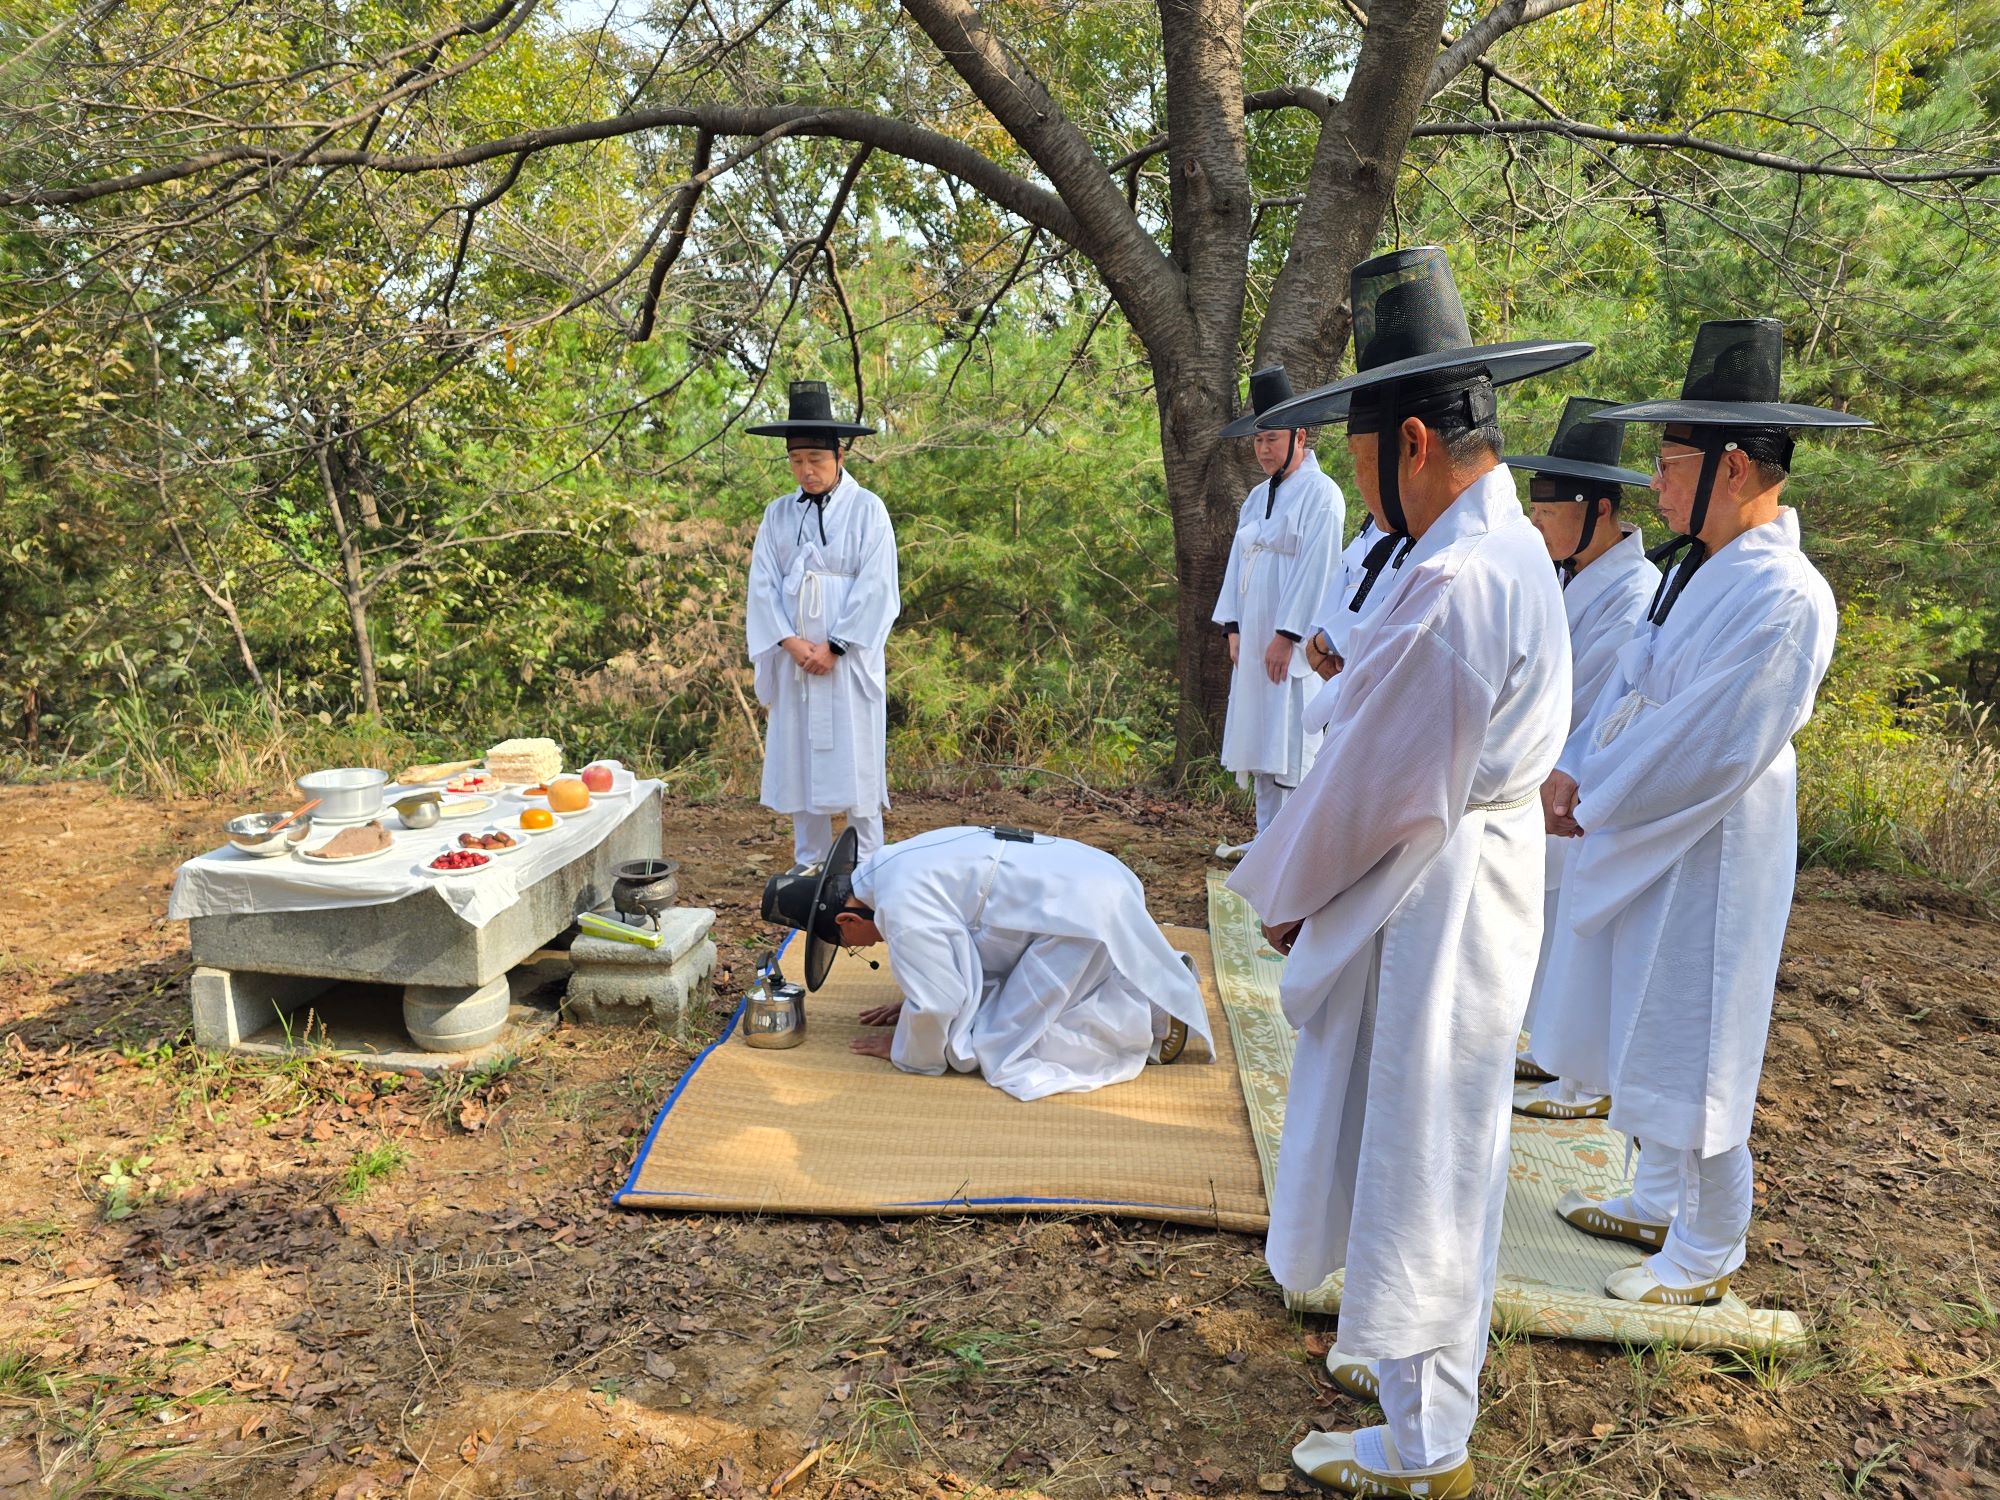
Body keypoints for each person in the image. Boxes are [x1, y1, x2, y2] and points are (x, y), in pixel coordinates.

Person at [1229, 246, 1587, 1499]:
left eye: (1367, 450)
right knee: (1433, 1144)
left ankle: (1425, 1440)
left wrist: (1289, 897)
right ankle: (1408, 1381)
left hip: (1431, 887)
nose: (1361, 483)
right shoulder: (1490, 557)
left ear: (1415, 440)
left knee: (1423, 1150)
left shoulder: (1457, 581)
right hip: (1454, 872)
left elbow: (1372, 783)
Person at [1534, 319, 1869, 1305]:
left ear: (1734, 468)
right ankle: (1650, 1193)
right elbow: (1630, 692)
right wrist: (1572, 766)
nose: (1657, 485)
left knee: (1698, 1031)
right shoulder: (1689, 571)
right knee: (1644, 1012)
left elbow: (1710, 740)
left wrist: (1592, 790)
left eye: (1672, 464)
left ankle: (1708, 1242)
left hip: (1710, 832)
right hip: (1643, 817)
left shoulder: (1785, 597)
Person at [761, 826, 1213, 1102]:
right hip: (1090, 879)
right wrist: (914, 1001)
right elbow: (959, 946)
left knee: (1001, 1049)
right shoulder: (889, 863)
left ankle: (1151, 1015)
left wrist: (906, 1047)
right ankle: (1158, 977)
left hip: (1079, 912)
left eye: (850, 943)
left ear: (845, 918)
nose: (867, 948)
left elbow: (940, 1004)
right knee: (999, 1011)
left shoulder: (896, 905)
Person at [1502, 397, 1660, 1118]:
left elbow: (1598, 700)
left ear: (1596, 509)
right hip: (1543, 767)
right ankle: (1549, 1046)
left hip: (1578, 774)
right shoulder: (1569, 574)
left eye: (1546, 514)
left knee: (1576, 924)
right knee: (1545, 919)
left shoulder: (1634, 590)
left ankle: (1584, 1074)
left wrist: (1553, 769)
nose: (1536, 527)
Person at [744, 381, 900, 866]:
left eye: (815, 458)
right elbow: (763, 584)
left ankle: (868, 861)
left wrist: (835, 646)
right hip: (796, 658)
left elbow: (877, 585)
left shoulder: (868, 509)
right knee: (800, 755)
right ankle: (809, 859)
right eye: (796, 461)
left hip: (846, 658)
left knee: (856, 755)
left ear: (839, 455)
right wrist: (791, 643)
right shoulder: (777, 514)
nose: (806, 470)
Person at [1211, 366, 1341, 860]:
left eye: (1273, 438)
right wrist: (1235, 625)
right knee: (1260, 736)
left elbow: (1319, 567)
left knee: (1290, 739)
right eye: (1259, 439)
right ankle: (1267, 838)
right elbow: (1237, 560)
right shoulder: (1256, 497)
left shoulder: (1321, 494)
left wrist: (1288, 635)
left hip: (1287, 639)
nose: (1264, 449)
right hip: (1255, 632)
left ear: (1300, 437)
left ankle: (1291, 847)